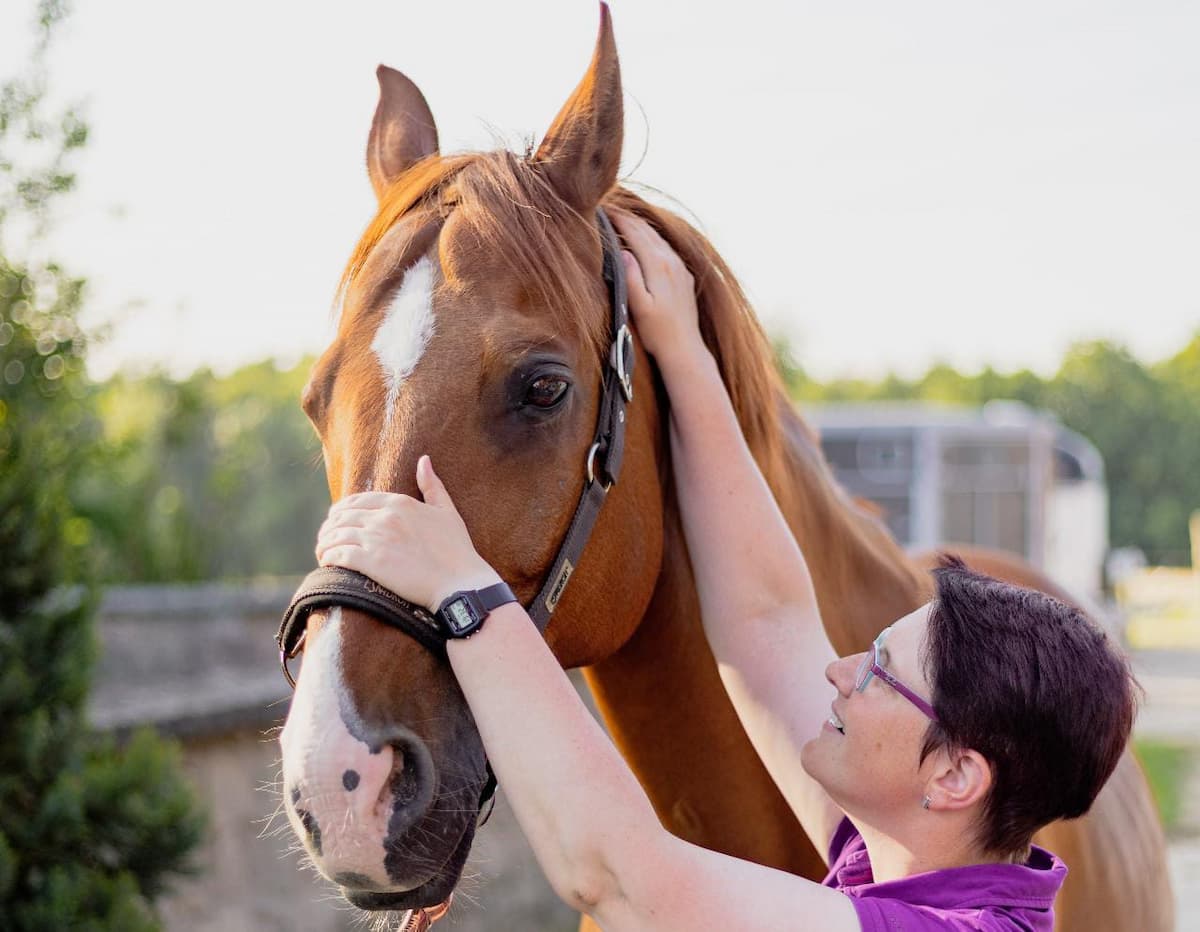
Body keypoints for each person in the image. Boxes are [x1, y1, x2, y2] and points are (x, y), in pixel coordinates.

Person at [313, 211, 1137, 931]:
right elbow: (767, 618)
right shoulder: (903, 852)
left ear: (954, 774)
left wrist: (467, 597)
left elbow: (617, 878)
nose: (842, 670)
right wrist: (680, 347)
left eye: (885, 673)